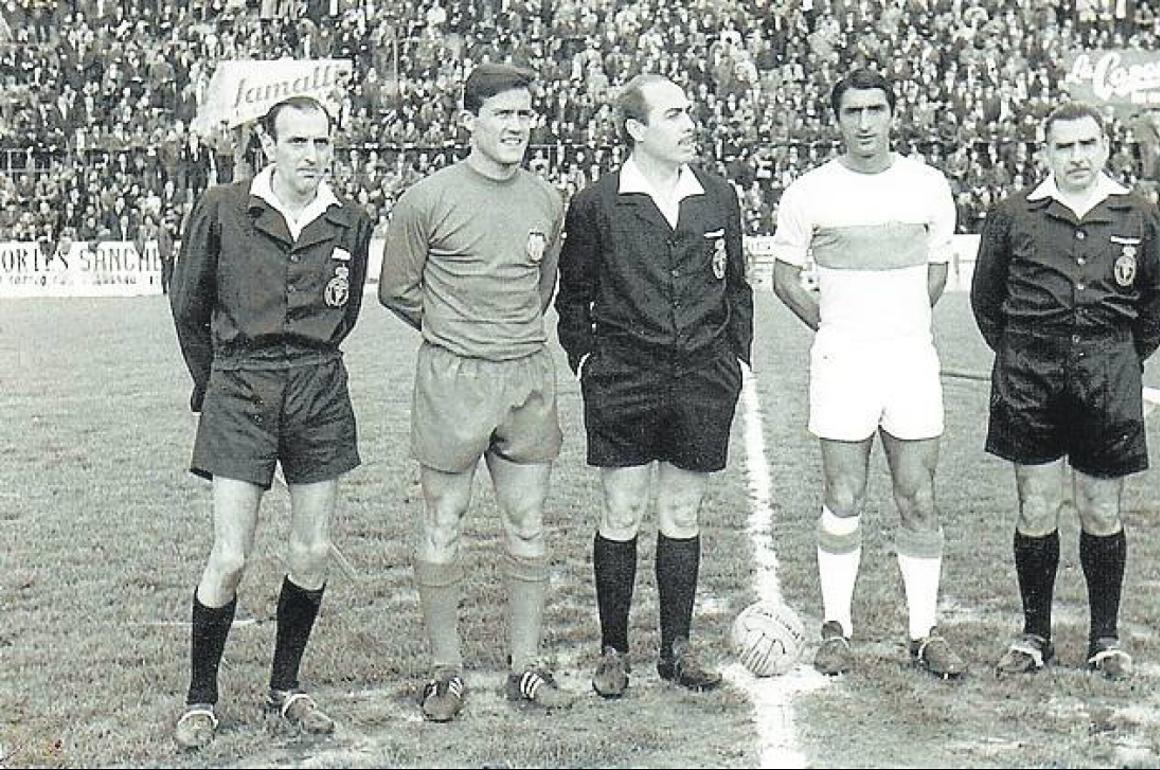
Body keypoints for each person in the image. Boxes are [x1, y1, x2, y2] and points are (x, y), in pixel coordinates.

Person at [168, 95, 373, 749]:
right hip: (240, 389)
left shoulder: (350, 220)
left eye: (322, 143)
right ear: (269, 145)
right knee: (230, 557)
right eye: (298, 143)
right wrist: (216, 381)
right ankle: (201, 698)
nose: (311, 156)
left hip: (317, 391)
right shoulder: (224, 207)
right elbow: (187, 304)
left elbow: (344, 317)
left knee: (312, 550)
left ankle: (286, 687)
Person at [378, 63, 573, 722]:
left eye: (525, 114)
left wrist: (505, 334)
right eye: (502, 115)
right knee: (445, 522)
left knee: (526, 523)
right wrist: (459, 333)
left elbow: (542, 286)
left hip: (525, 376)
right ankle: (445, 672)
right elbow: (397, 289)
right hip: (453, 379)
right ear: (470, 122)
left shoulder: (547, 199)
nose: (516, 127)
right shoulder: (426, 199)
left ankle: (526, 666)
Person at [555, 73, 753, 698]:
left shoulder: (717, 196)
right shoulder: (598, 202)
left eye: (689, 110)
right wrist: (587, 360)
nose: (690, 123)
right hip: (625, 378)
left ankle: (677, 647)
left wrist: (734, 360)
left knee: (682, 511)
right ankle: (614, 649)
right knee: (621, 510)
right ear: (636, 130)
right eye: (674, 114)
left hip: (700, 376)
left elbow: (738, 285)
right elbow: (573, 296)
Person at [771, 68, 966, 679]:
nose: (864, 123)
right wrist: (838, 327)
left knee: (919, 497)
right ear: (838, 120)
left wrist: (897, 324)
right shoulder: (810, 193)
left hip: (909, 360)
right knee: (843, 496)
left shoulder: (927, 187)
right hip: (842, 362)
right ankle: (837, 627)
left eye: (874, 110)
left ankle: (923, 631)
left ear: (891, 115)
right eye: (852, 111)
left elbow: (936, 273)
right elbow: (782, 279)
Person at [970, 102, 1160, 680]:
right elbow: (987, 304)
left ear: (1105, 146)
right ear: (1047, 152)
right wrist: (1026, 355)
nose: (1078, 157)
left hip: (1108, 379)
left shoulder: (1138, 214)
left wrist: (1119, 362)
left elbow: (1155, 307)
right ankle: (1035, 634)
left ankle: (1104, 637)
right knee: (1036, 507)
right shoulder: (1014, 215)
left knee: (1100, 508)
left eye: (1088, 144)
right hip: (1029, 379)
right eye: (1065, 146)